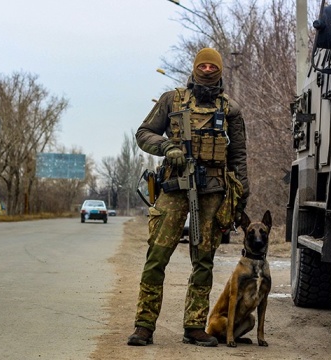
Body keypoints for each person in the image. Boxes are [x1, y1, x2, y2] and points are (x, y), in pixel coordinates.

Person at [127, 48, 249, 347]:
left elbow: (238, 155)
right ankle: (144, 325)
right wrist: (168, 147)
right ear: (195, 68)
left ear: (219, 71)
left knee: (204, 260)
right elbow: (144, 133)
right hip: (173, 187)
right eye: (202, 65)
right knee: (157, 258)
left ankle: (194, 326)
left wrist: (241, 194)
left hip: (212, 192)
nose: (207, 70)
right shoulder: (172, 99)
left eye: (212, 66)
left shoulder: (230, 109)